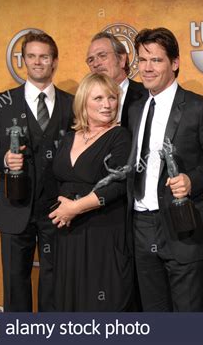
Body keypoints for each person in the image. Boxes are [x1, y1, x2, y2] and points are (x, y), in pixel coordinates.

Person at [127, 27, 203, 311]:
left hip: (183, 224)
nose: (147, 68)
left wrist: (192, 179)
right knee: (153, 315)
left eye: (156, 60)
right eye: (142, 60)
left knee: (187, 318)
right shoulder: (135, 109)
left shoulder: (200, 108)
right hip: (141, 226)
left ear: (174, 63)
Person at [0, 32, 73, 311]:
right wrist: (5, 159)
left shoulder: (72, 103)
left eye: (44, 56)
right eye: (31, 56)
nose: (37, 62)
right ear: (23, 61)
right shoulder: (1, 101)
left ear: (54, 61)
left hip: (57, 210)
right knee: (15, 285)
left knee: (55, 284)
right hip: (13, 207)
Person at [49, 73, 133, 311]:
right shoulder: (68, 138)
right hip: (68, 236)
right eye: (98, 98)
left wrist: (75, 208)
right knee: (70, 305)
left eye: (112, 98)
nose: (107, 105)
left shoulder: (120, 136)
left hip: (103, 234)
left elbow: (117, 185)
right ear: (83, 102)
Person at [86, 32, 147, 127]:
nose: (95, 64)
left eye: (102, 56)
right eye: (91, 60)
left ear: (122, 59)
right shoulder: (85, 102)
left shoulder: (146, 96)